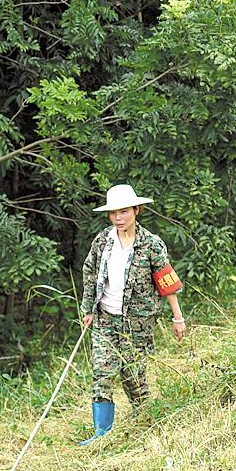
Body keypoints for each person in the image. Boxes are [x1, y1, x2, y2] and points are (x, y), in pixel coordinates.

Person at [78, 184, 186, 444]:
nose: (118, 218)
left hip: (137, 323)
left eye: (124, 212)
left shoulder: (151, 244)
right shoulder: (103, 241)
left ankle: (147, 423)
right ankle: (101, 434)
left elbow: (166, 281)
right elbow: (90, 273)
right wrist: (88, 309)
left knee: (133, 376)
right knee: (102, 373)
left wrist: (178, 318)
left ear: (137, 210)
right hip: (105, 318)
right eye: (114, 213)